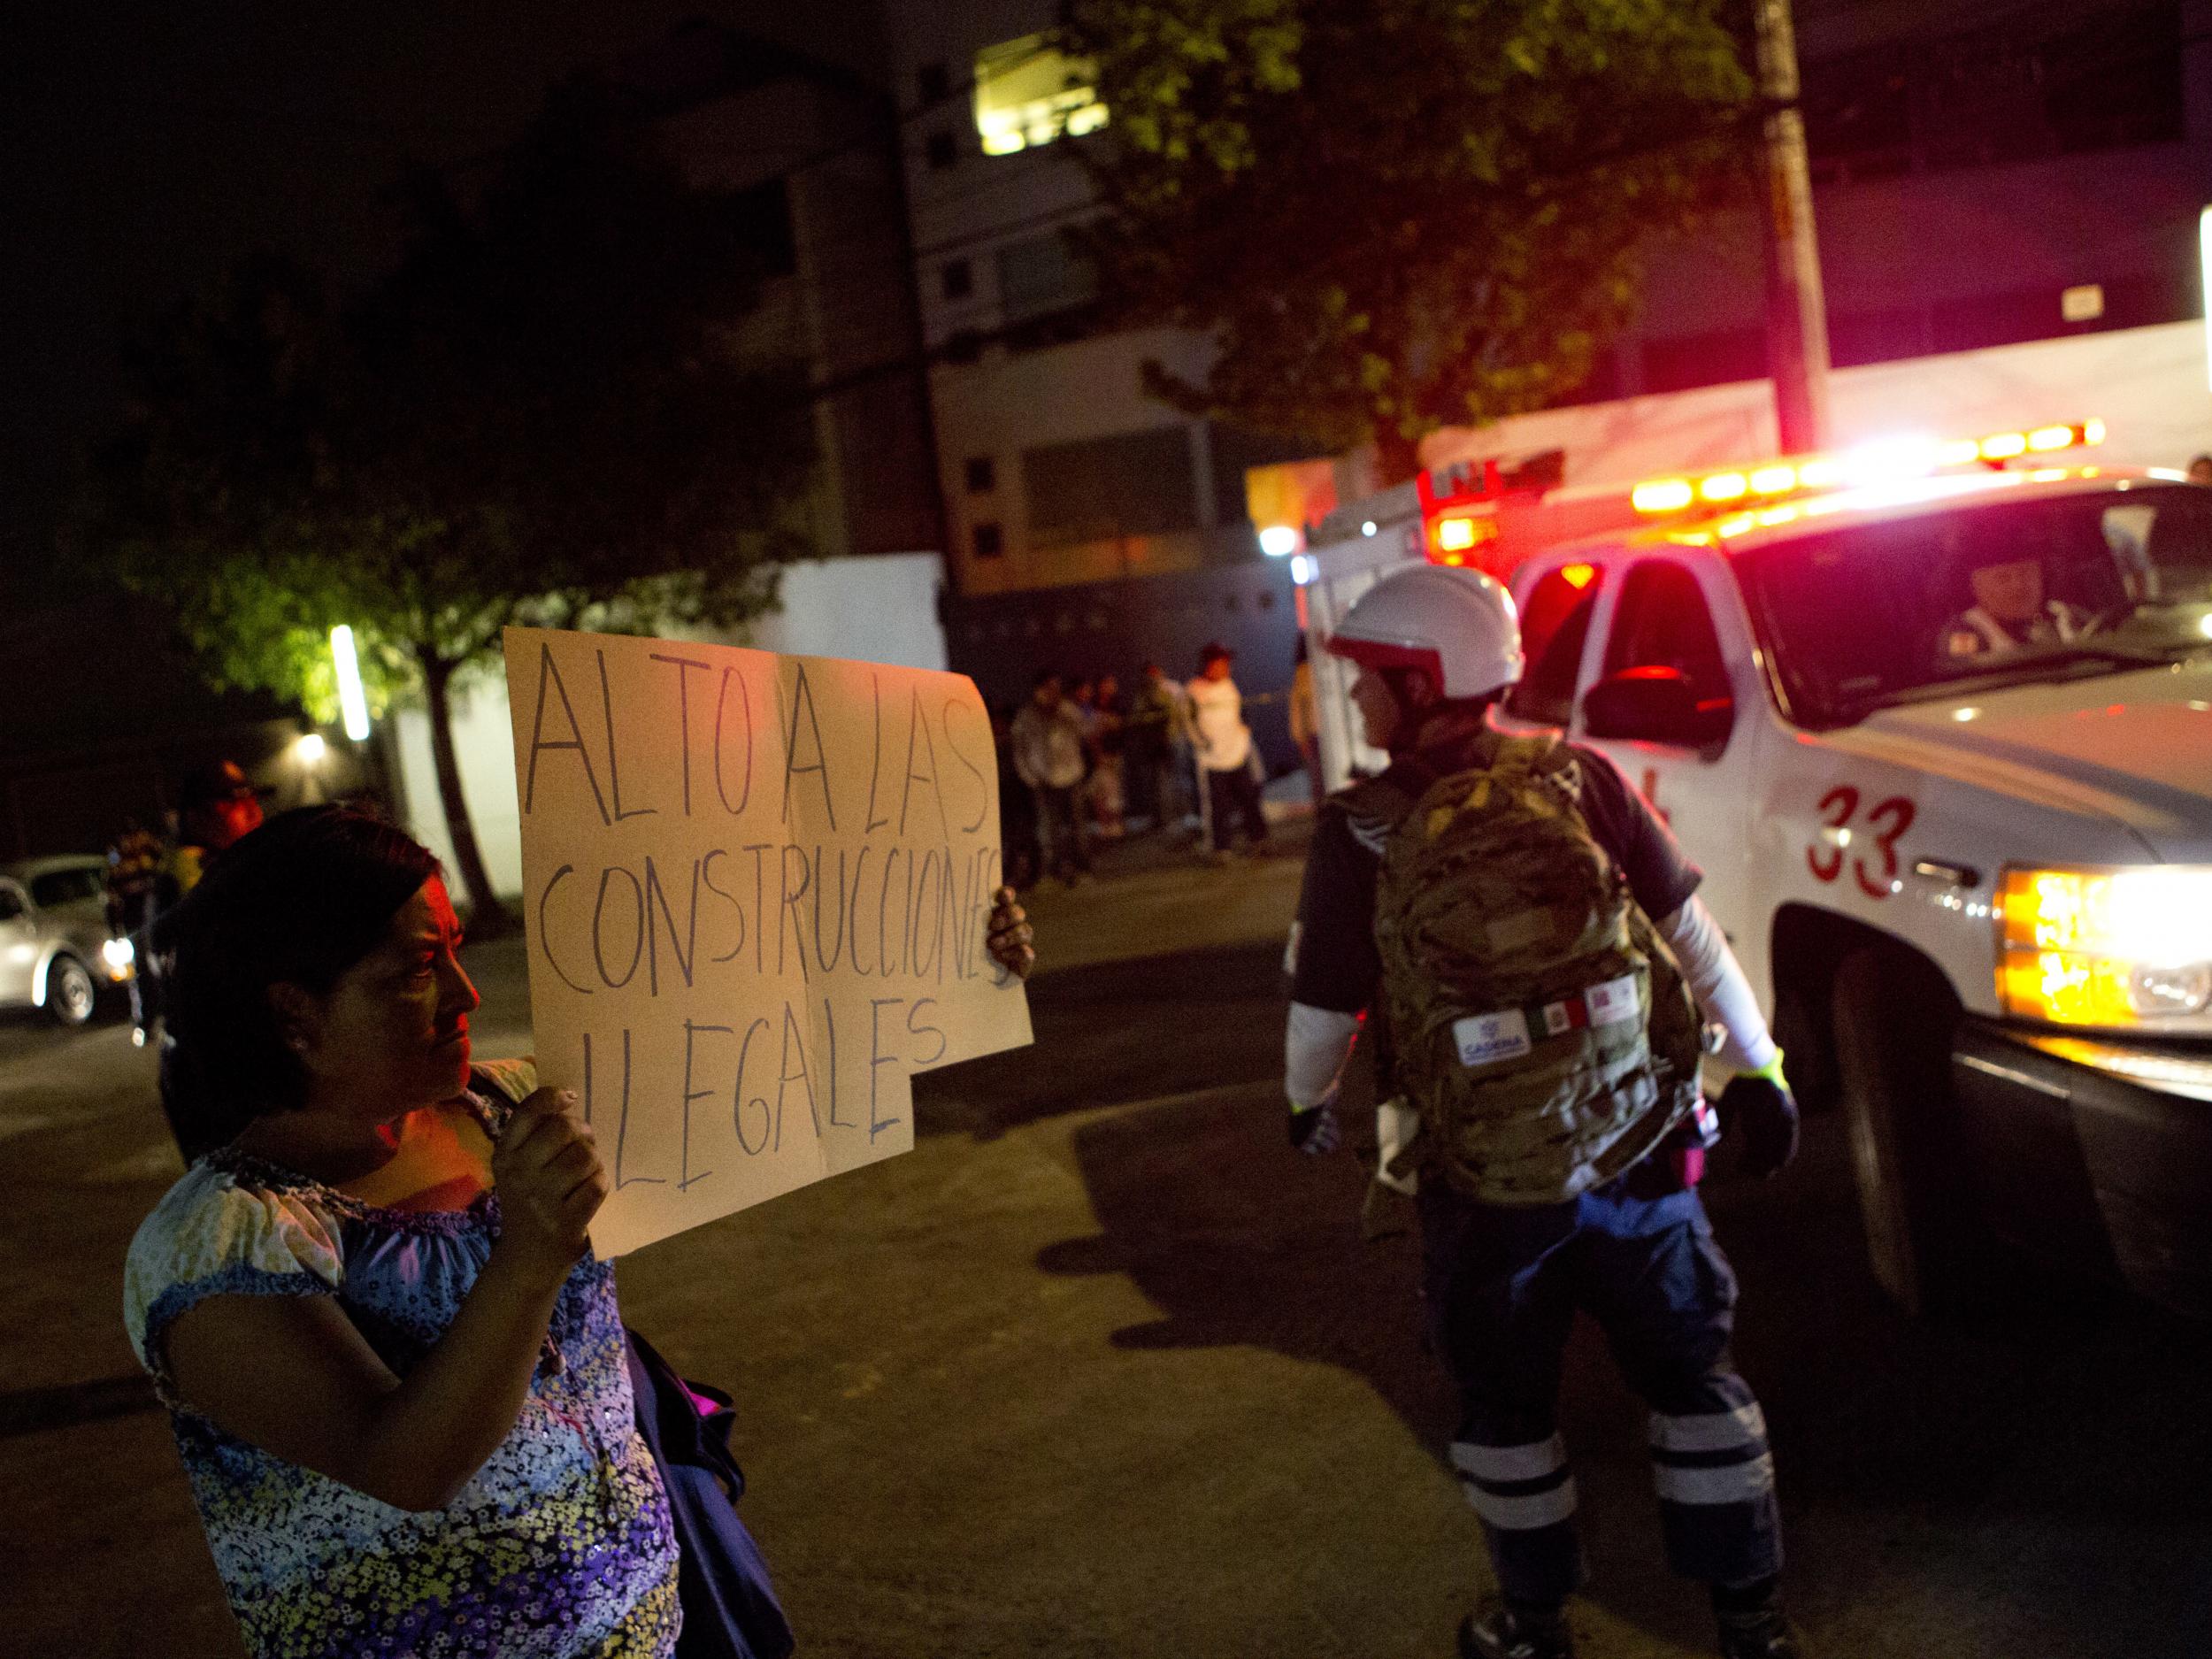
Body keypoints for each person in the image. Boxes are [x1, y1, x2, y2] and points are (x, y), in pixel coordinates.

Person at [122, 807, 1038, 1659]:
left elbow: (785, 1047)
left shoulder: (514, 1105)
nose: (465, 992)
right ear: (292, 1013)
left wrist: (959, 963)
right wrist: (527, 1256)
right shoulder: (220, 1244)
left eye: (453, 951)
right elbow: (400, 1462)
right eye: (413, 971)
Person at [1281, 565, 1808, 1659]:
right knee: (1693, 1381)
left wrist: (1306, 1104)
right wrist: (1759, 1068)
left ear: (1419, 681)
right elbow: (1691, 938)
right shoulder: (1580, 777)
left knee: (1507, 1413)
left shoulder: (1361, 829)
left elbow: (1326, 1007)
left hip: (1483, 1185)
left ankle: (1532, 1627)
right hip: (1643, 1156)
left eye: (1370, 680)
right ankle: (1751, 1624)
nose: (1358, 700)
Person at [1187, 642, 1270, 860]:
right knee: (1218, 805)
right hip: (1212, 760)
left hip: (1237, 754)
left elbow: (1243, 714)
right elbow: (1188, 722)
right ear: (1209, 665)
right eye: (1221, 664)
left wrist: (1243, 736)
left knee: (1248, 798)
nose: (1226, 668)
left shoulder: (1229, 686)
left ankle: (1258, 838)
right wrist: (1203, 743)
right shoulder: (1195, 690)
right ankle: (1221, 847)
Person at [1010, 670, 1092, 884]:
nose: (1053, 693)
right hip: (1043, 780)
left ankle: (1081, 867)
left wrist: (1065, 714)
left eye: (1056, 688)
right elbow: (1019, 749)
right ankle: (1052, 869)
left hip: (1071, 775)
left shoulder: (1067, 711)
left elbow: (1085, 731)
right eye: (1049, 689)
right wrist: (1029, 777)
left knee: (1077, 825)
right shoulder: (1027, 716)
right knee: (1048, 828)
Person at [1937, 554, 2083, 661]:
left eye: (2025, 573)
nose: (2018, 586)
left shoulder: (2068, 615)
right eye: (2003, 578)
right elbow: (1965, 678)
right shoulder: (1965, 630)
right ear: (1979, 587)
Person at [1289, 636, 1324, 810]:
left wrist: (1299, 736)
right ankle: (1326, 813)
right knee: (1319, 777)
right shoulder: (1304, 672)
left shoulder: (1306, 671)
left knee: (1319, 777)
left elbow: (1296, 708)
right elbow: (1297, 708)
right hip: (1316, 733)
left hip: (1317, 731)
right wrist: (1301, 737)